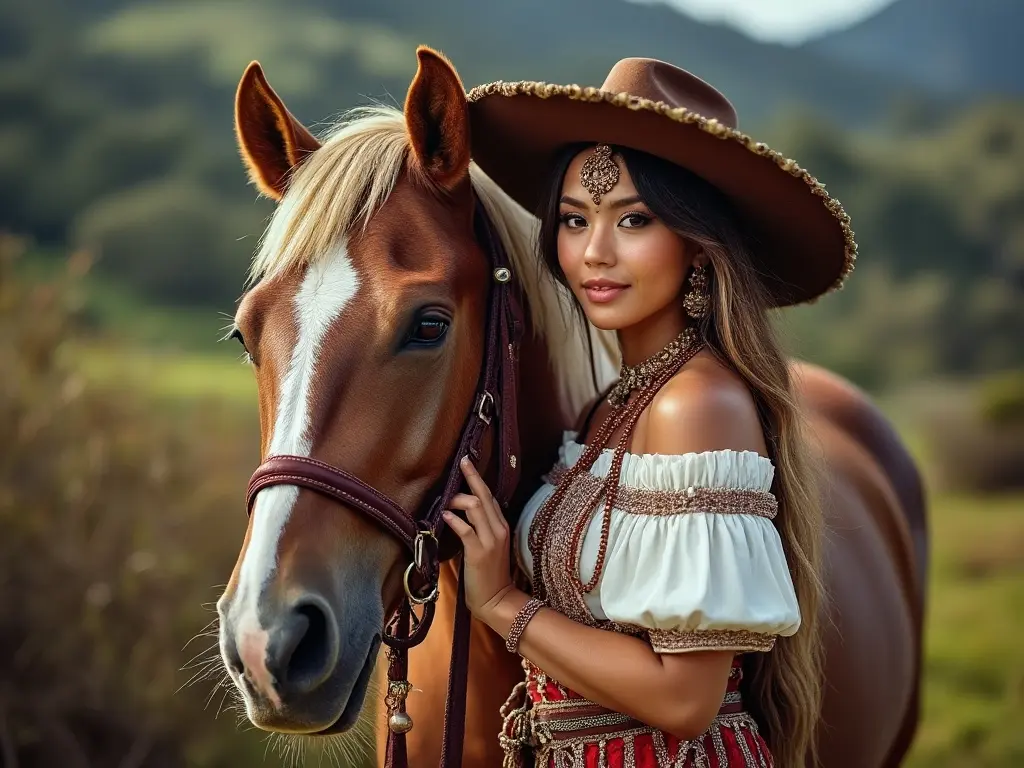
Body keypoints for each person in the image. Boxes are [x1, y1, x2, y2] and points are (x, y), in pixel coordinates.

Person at [441, 57, 856, 768]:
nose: (594, 254)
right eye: (574, 220)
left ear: (696, 245)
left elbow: (683, 702)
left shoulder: (697, 404)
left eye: (634, 219)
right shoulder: (618, 402)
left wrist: (504, 603)